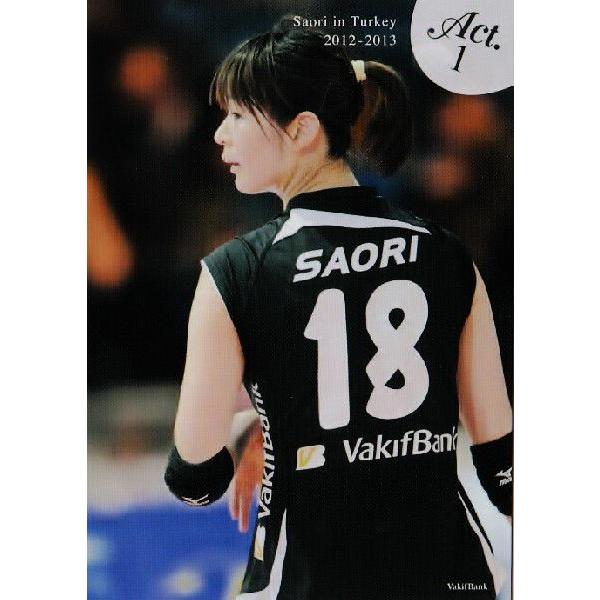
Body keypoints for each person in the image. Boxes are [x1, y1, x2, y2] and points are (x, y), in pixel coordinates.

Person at [164, 16, 513, 600]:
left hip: (306, 581)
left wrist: (254, 427)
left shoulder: (236, 271)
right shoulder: (447, 254)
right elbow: (502, 465)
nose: (220, 134)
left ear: (302, 129)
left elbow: (193, 479)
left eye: (238, 115)